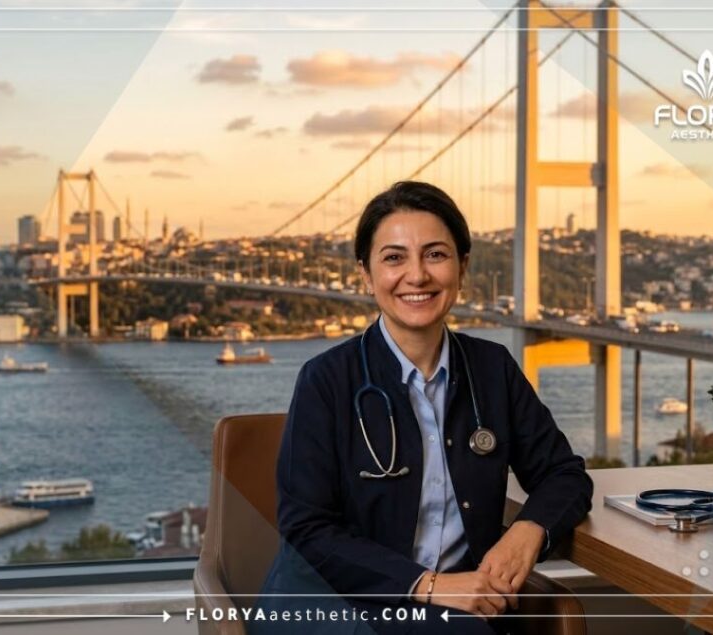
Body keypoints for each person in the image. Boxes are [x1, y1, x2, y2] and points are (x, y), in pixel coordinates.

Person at [250, 181, 593, 635]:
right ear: (366, 275)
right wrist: (428, 586)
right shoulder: (326, 379)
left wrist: (526, 532)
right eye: (394, 258)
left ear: (463, 266)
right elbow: (307, 529)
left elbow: (564, 475)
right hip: (338, 604)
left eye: (435, 254)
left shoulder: (492, 370)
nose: (417, 275)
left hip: (455, 611)